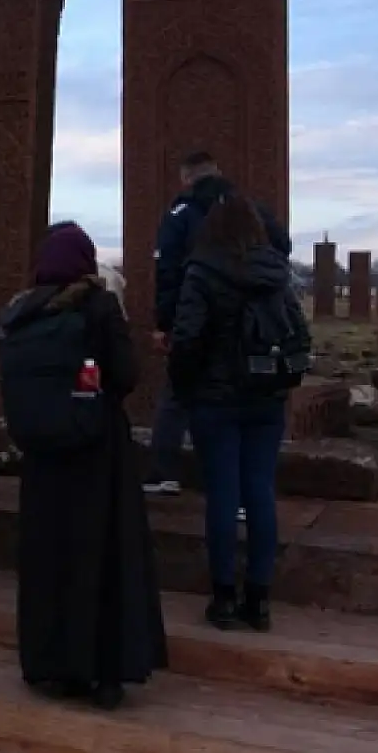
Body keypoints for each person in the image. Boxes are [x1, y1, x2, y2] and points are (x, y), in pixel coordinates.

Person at [0, 223, 166, 710]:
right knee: (102, 555)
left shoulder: (20, 312)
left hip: (41, 457)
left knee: (49, 557)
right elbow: (127, 373)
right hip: (96, 452)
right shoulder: (97, 306)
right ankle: (105, 671)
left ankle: (53, 664)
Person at [167, 193, 309, 633]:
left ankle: (224, 597)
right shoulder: (276, 272)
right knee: (260, 491)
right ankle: (260, 599)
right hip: (266, 396)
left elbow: (187, 338)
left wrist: (184, 386)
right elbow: (296, 330)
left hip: (216, 399)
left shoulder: (202, 272)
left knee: (223, 495)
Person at [145, 152, 291, 498]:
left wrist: (164, 323)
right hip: (252, 321)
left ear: (186, 177)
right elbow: (283, 245)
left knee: (178, 393)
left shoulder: (181, 213)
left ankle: (164, 472)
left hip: (197, 314)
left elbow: (166, 270)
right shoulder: (249, 209)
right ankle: (238, 490)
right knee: (240, 397)